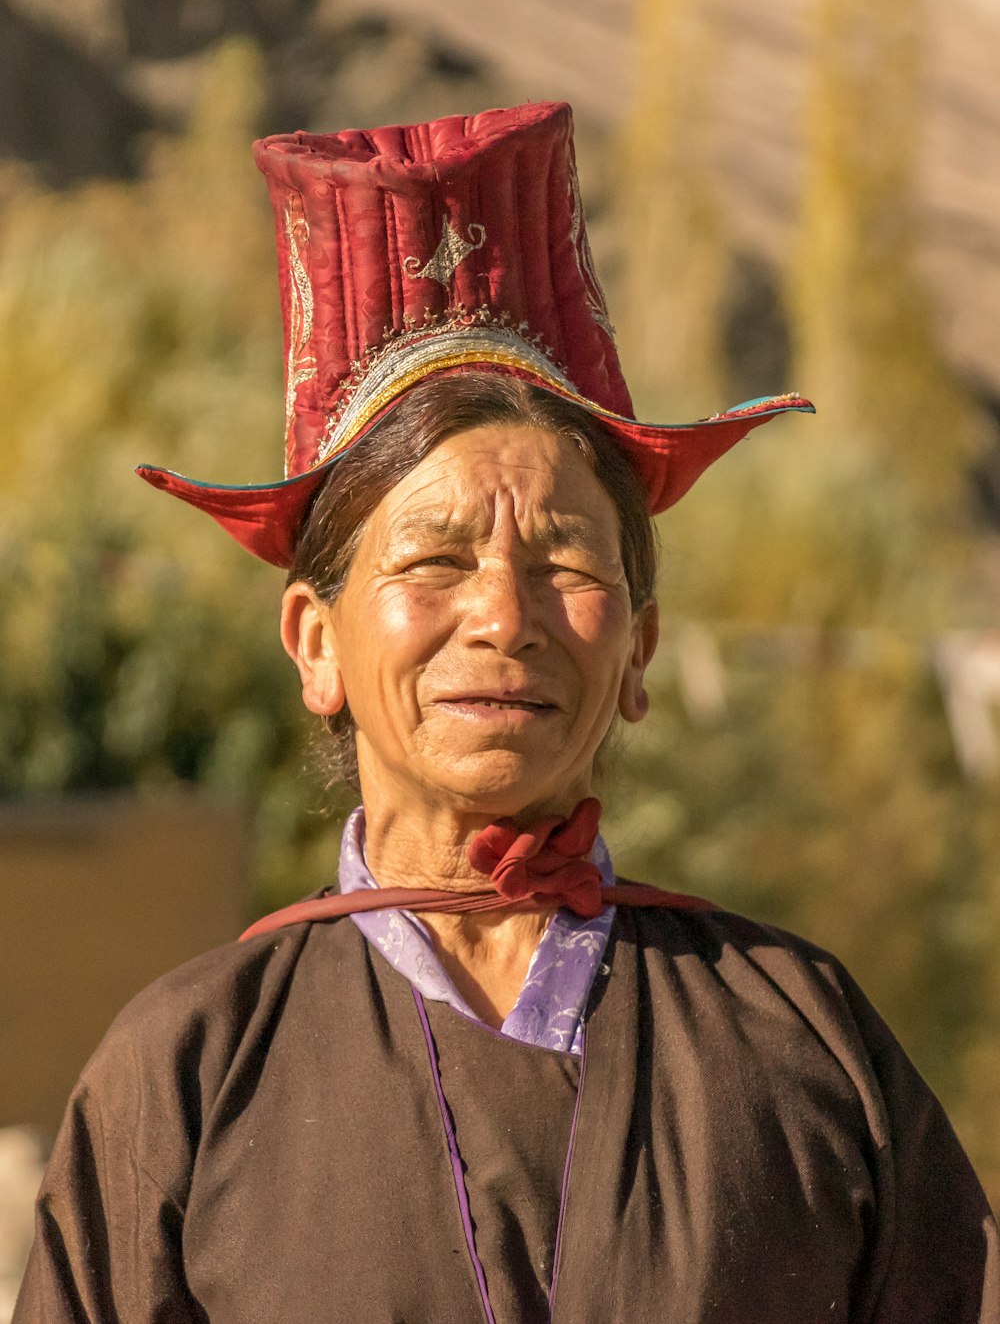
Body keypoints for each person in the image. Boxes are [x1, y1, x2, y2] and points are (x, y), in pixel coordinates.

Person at [15, 102, 997, 1323]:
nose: (504, 615)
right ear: (316, 644)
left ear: (639, 648)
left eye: (567, 563)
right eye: (431, 560)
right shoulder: (188, 1077)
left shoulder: (804, 1040)